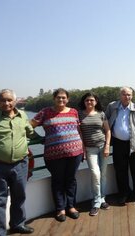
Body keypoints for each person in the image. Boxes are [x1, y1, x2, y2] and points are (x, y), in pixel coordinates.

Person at [0, 89, 39, 235]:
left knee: (19, 196)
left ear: (14, 102)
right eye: (3, 100)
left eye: (9, 100)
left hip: (20, 164)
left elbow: (29, 131)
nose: (6, 103)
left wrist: (46, 135)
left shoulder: (22, 115)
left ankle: (18, 224)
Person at [30, 88, 83, 222]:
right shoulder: (45, 112)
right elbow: (29, 126)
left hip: (75, 152)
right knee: (58, 181)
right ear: (54, 99)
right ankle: (60, 209)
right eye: (58, 97)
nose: (61, 100)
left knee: (71, 180)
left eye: (63, 97)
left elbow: (78, 130)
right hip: (53, 154)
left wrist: (83, 149)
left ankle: (71, 206)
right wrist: (39, 138)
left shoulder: (74, 112)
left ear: (68, 99)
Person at [105, 87, 135, 205]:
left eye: (129, 95)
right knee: (120, 170)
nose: (126, 97)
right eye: (124, 94)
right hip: (118, 143)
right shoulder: (112, 106)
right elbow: (105, 121)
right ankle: (124, 193)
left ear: (132, 96)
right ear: (120, 95)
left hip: (133, 144)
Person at [78, 92, 111, 216]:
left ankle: (102, 198)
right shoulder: (79, 114)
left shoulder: (101, 114)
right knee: (95, 173)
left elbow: (107, 131)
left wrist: (107, 146)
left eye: (92, 100)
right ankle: (96, 201)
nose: (89, 102)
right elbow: (79, 132)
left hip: (103, 147)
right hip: (90, 149)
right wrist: (83, 150)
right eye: (87, 100)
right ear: (84, 102)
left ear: (96, 102)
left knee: (103, 174)